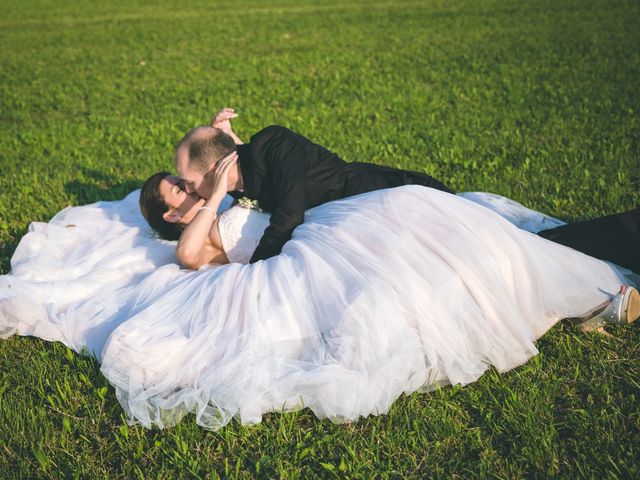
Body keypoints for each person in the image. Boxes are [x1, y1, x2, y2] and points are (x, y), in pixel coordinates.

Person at [175, 109, 640, 271]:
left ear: (215, 168)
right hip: (364, 231)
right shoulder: (239, 182)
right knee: (485, 259)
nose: (192, 191)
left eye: (191, 183)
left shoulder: (273, 141)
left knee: (506, 249)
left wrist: (257, 273)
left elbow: (290, 211)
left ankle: (620, 239)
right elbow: (243, 179)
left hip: (390, 200)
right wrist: (227, 150)